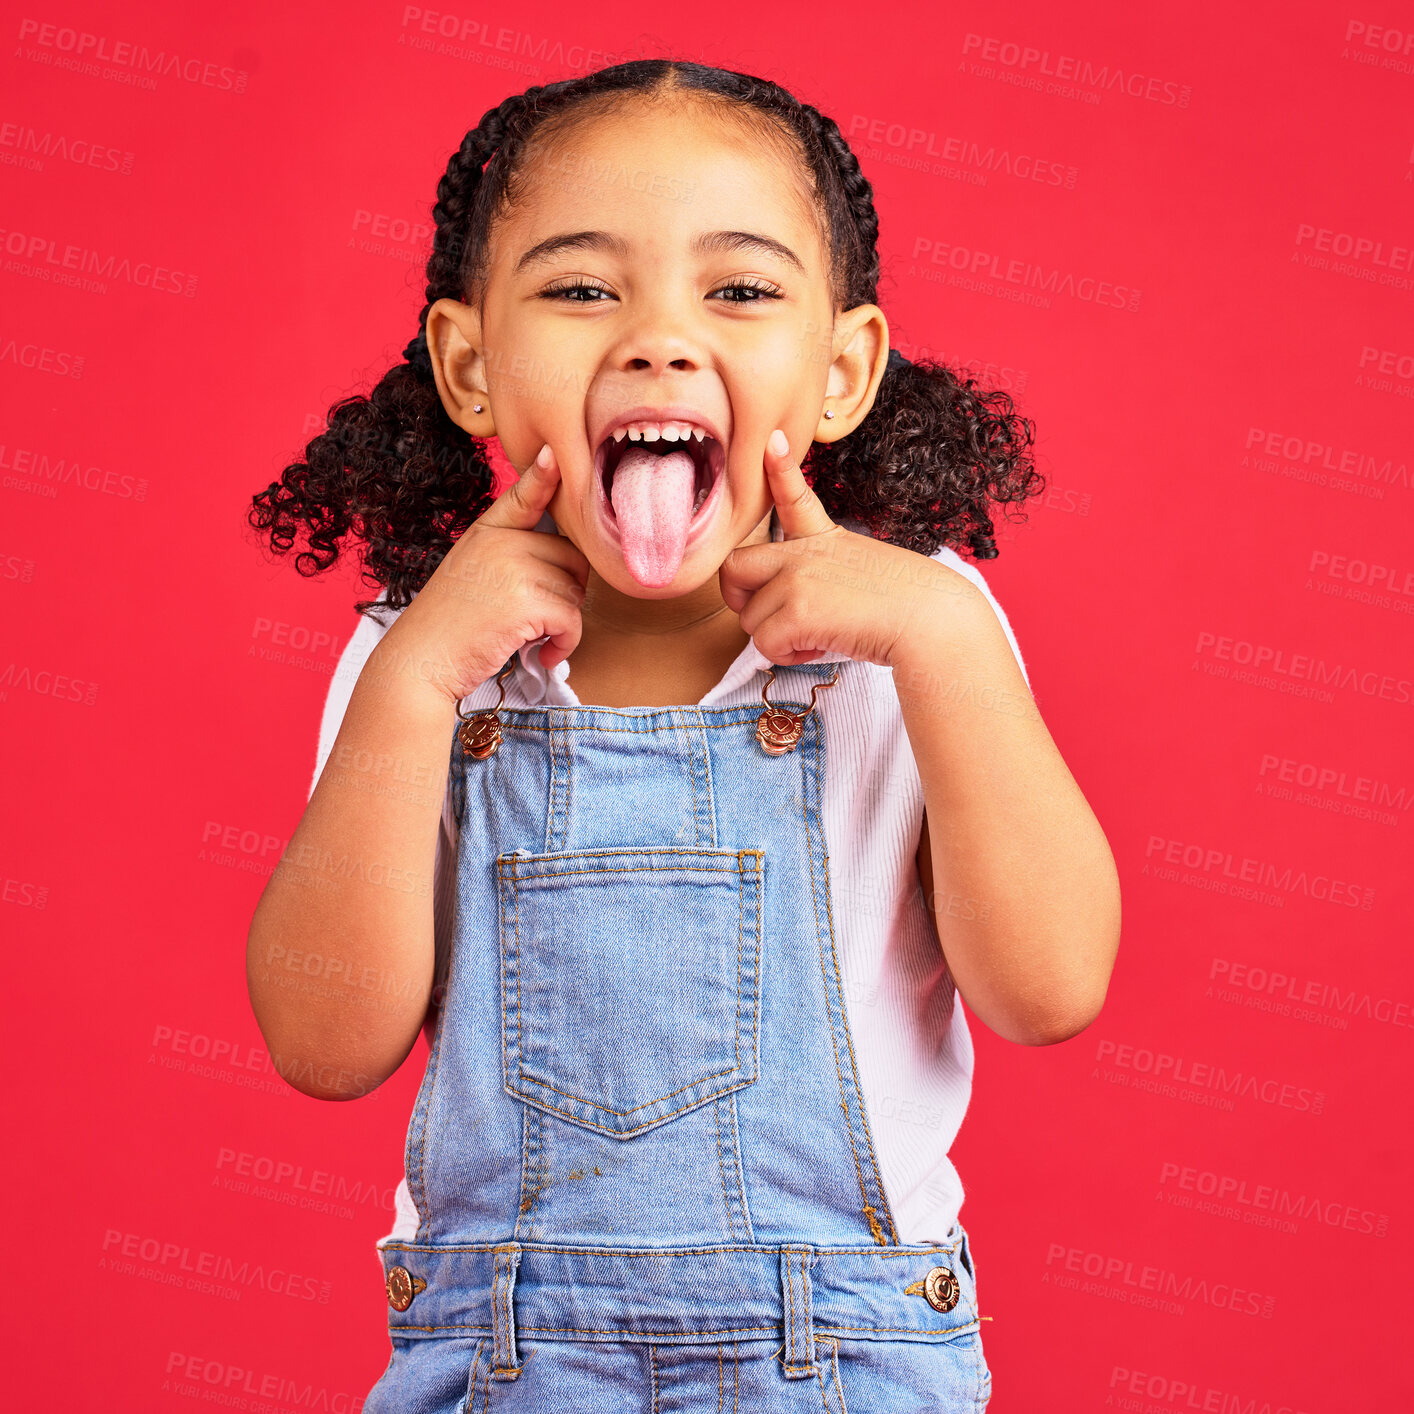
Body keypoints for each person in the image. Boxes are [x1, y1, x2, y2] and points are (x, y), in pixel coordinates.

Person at [247, 57, 1120, 1414]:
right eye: (583, 287)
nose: (656, 336)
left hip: (844, 1355)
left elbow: (1048, 988)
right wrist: (413, 684)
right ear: (470, 362)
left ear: (841, 370)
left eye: (739, 289)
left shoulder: (918, 640)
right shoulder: (418, 659)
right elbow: (321, 1039)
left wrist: (944, 641)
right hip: (503, 1360)